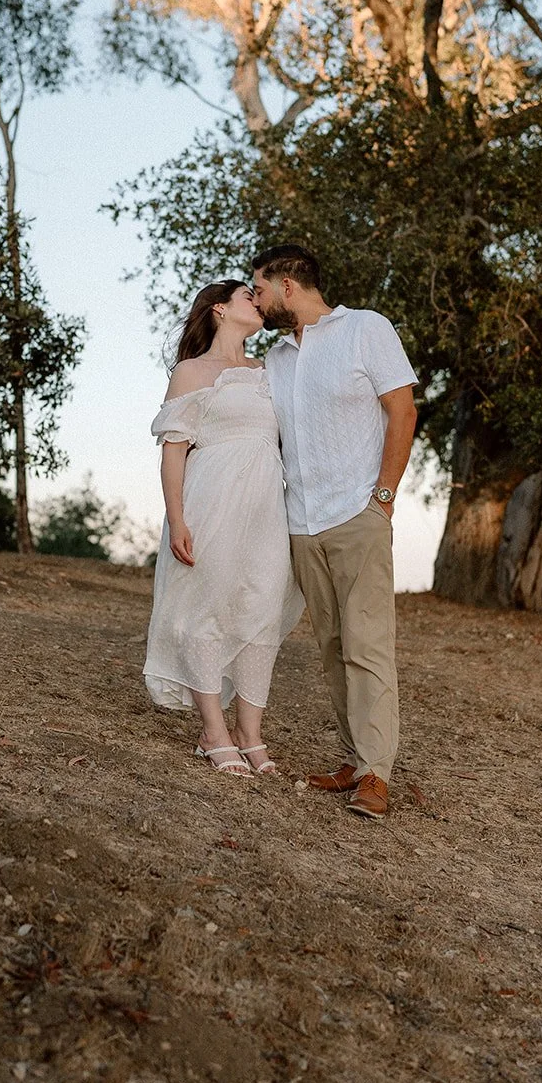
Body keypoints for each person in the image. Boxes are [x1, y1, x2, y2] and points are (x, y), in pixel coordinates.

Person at [252, 245, 418, 820]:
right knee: (332, 648)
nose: (257, 299)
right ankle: (353, 758)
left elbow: (403, 410)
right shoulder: (275, 359)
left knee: (368, 646)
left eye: (261, 288)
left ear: (288, 285)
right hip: (302, 523)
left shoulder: (365, 329)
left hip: (358, 516)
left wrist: (383, 501)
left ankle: (376, 774)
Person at [143, 280, 304, 777]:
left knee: (260, 608)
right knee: (205, 606)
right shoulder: (192, 373)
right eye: (247, 295)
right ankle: (214, 731)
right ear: (220, 308)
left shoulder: (271, 370)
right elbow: (173, 453)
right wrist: (177, 520)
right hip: (210, 499)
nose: (258, 302)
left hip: (265, 508)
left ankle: (250, 734)